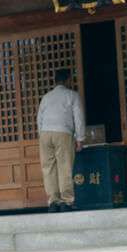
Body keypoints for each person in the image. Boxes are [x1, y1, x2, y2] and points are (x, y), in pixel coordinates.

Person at [36, 67, 85, 213]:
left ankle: (53, 201)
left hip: (45, 133)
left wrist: (41, 134)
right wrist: (80, 138)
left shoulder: (46, 97)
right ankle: (66, 201)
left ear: (55, 81)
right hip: (63, 132)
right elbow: (79, 118)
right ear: (68, 80)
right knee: (65, 166)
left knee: (48, 168)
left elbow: (39, 118)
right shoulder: (72, 95)